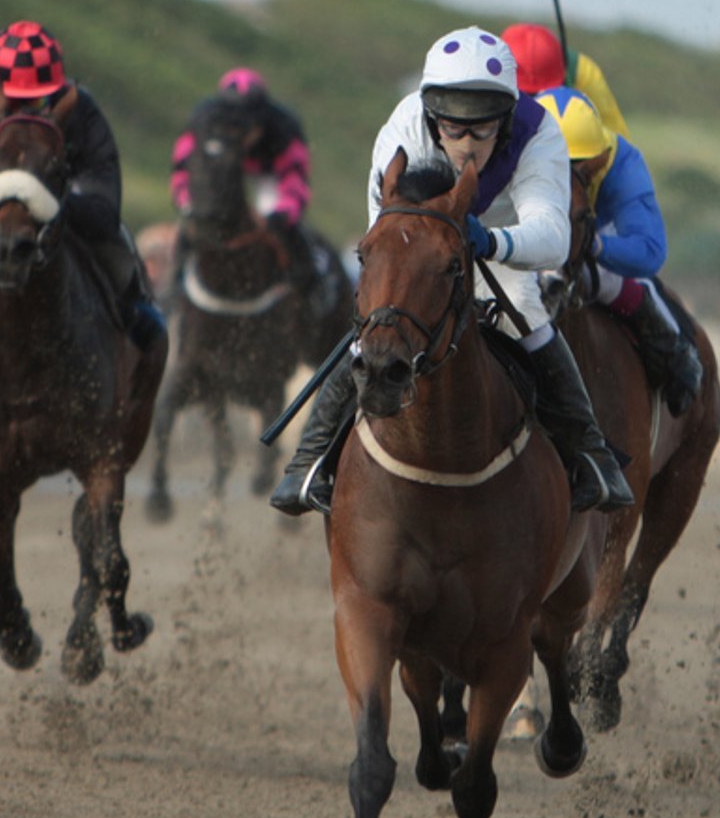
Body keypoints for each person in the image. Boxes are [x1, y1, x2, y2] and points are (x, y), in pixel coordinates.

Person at [271, 26, 636, 516]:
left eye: (482, 129)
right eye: (452, 128)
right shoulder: (404, 127)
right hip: (423, 243)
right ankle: (309, 462)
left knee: (526, 311)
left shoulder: (538, 132)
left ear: (506, 119)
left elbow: (553, 236)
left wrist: (490, 242)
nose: (466, 143)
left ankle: (590, 453)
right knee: (377, 324)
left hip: (503, 239)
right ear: (430, 114)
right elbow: (384, 229)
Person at [0, 19, 164, 350]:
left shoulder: (83, 115)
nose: (24, 111)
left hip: (65, 192)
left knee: (119, 245)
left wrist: (49, 199)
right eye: (11, 102)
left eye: (37, 101)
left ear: (57, 92)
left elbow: (104, 211)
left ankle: (136, 317)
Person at [536, 86, 702, 415]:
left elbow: (650, 251)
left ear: (597, 157)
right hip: (535, 235)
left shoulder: (621, 162)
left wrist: (594, 245)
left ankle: (675, 354)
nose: (567, 175)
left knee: (611, 281)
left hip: (595, 233)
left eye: (579, 164)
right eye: (556, 163)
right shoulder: (508, 153)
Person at [169, 68, 326, 304]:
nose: (239, 134)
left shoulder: (283, 128)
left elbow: (295, 181)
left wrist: (281, 216)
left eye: (245, 127)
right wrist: (187, 204)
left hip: (268, 174)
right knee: (193, 225)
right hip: (224, 172)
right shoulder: (203, 122)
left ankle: (309, 288)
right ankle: (174, 289)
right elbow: (183, 171)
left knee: (288, 230)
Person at [501, 21, 631, 138]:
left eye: (538, 94)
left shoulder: (583, 71)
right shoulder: (487, 66)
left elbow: (616, 138)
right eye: (526, 95)